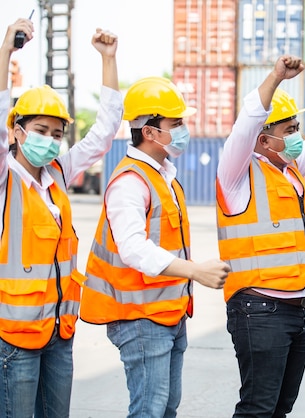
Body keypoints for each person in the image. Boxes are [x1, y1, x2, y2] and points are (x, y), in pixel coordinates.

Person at [79, 76, 231, 417]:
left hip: (167, 314)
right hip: (139, 318)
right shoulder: (130, 182)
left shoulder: (164, 175)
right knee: (149, 410)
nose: (182, 129)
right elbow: (133, 248)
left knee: (165, 409)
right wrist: (196, 272)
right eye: (175, 123)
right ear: (149, 131)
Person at [216, 55, 305, 418]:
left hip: (298, 310)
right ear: (264, 140)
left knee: (280, 408)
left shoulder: (290, 170)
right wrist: (277, 77)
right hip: (260, 309)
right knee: (258, 408)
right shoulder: (237, 174)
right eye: (289, 130)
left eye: (297, 127)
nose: (297, 136)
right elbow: (246, 124)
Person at [0, 19, 122, 417]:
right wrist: (6, 52)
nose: (50, 140)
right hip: (13, 338)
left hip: (58, 332)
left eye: (56, 133)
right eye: (40, 130)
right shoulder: (5, 177)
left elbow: (104, 133)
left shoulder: (57, 174)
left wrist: (108, 60)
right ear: (16, 132)